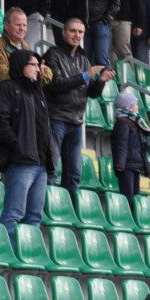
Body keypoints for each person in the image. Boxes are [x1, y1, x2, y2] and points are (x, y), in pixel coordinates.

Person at [0, 49, 54, 245]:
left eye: (38, 65)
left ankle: (27, 256)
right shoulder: (8, 88)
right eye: (33, 65)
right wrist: (17, 146)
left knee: (34, 217)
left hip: (41, 163)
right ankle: (8, 255)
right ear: (20, 66)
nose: (38, 69)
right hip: (21, 162)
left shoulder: (37, 91)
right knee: (13, 214)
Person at [44, 19, 113, 195]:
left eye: (80, 32)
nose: (77, 35)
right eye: (73, 31)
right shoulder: (52, 55)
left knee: (74, 174)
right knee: (50, 168)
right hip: (56, 118)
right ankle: (47, 209)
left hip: (76, 121)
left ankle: (70, 213)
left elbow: (91, 93)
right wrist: (85, 76)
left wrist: (101, 82)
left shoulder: (84, 58)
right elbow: (56, 84)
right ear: (63, 33)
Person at [111, 89, 150, 199]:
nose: (137, 106)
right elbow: (122, 143)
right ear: (128, 106)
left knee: (135, 196)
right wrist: (120, 164)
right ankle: (128, 215)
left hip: (136, 164)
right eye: (134, 104)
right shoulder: (123, 123)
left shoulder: (135, 122)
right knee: (128, 195)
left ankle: (134, 215)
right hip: (127, 165)